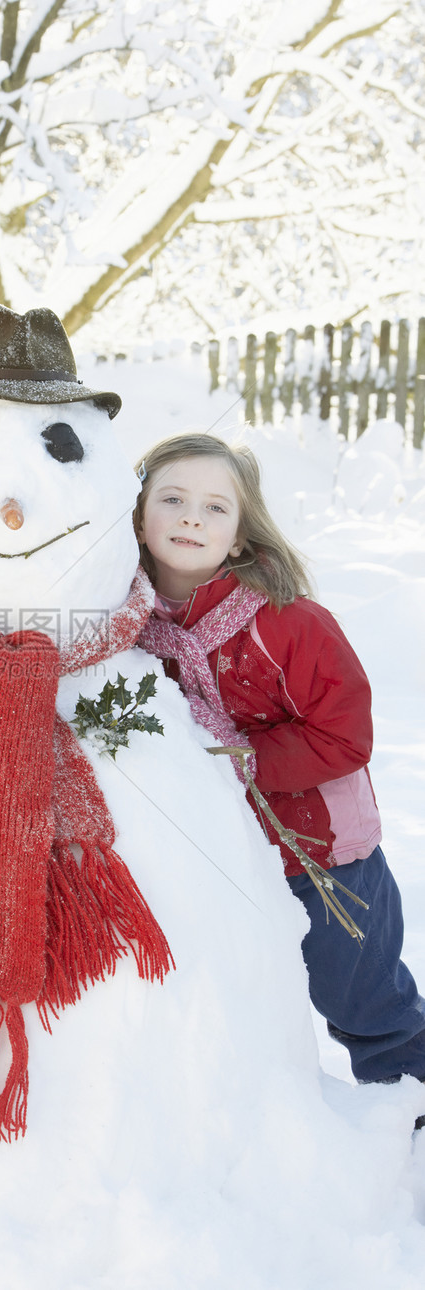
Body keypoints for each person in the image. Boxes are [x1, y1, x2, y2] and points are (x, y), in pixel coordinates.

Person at [133, 431, 425, 1091]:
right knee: (245, 999)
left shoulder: (288, 622)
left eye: (215, 508)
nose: (190, 517)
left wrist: (230, 761)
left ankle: (408, 1108)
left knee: (363, 1003)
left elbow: (343, 735)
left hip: (323, 862)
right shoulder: (129, 625)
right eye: (172, 499)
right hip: (224, 857)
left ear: (240, 535)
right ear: (138, 516)